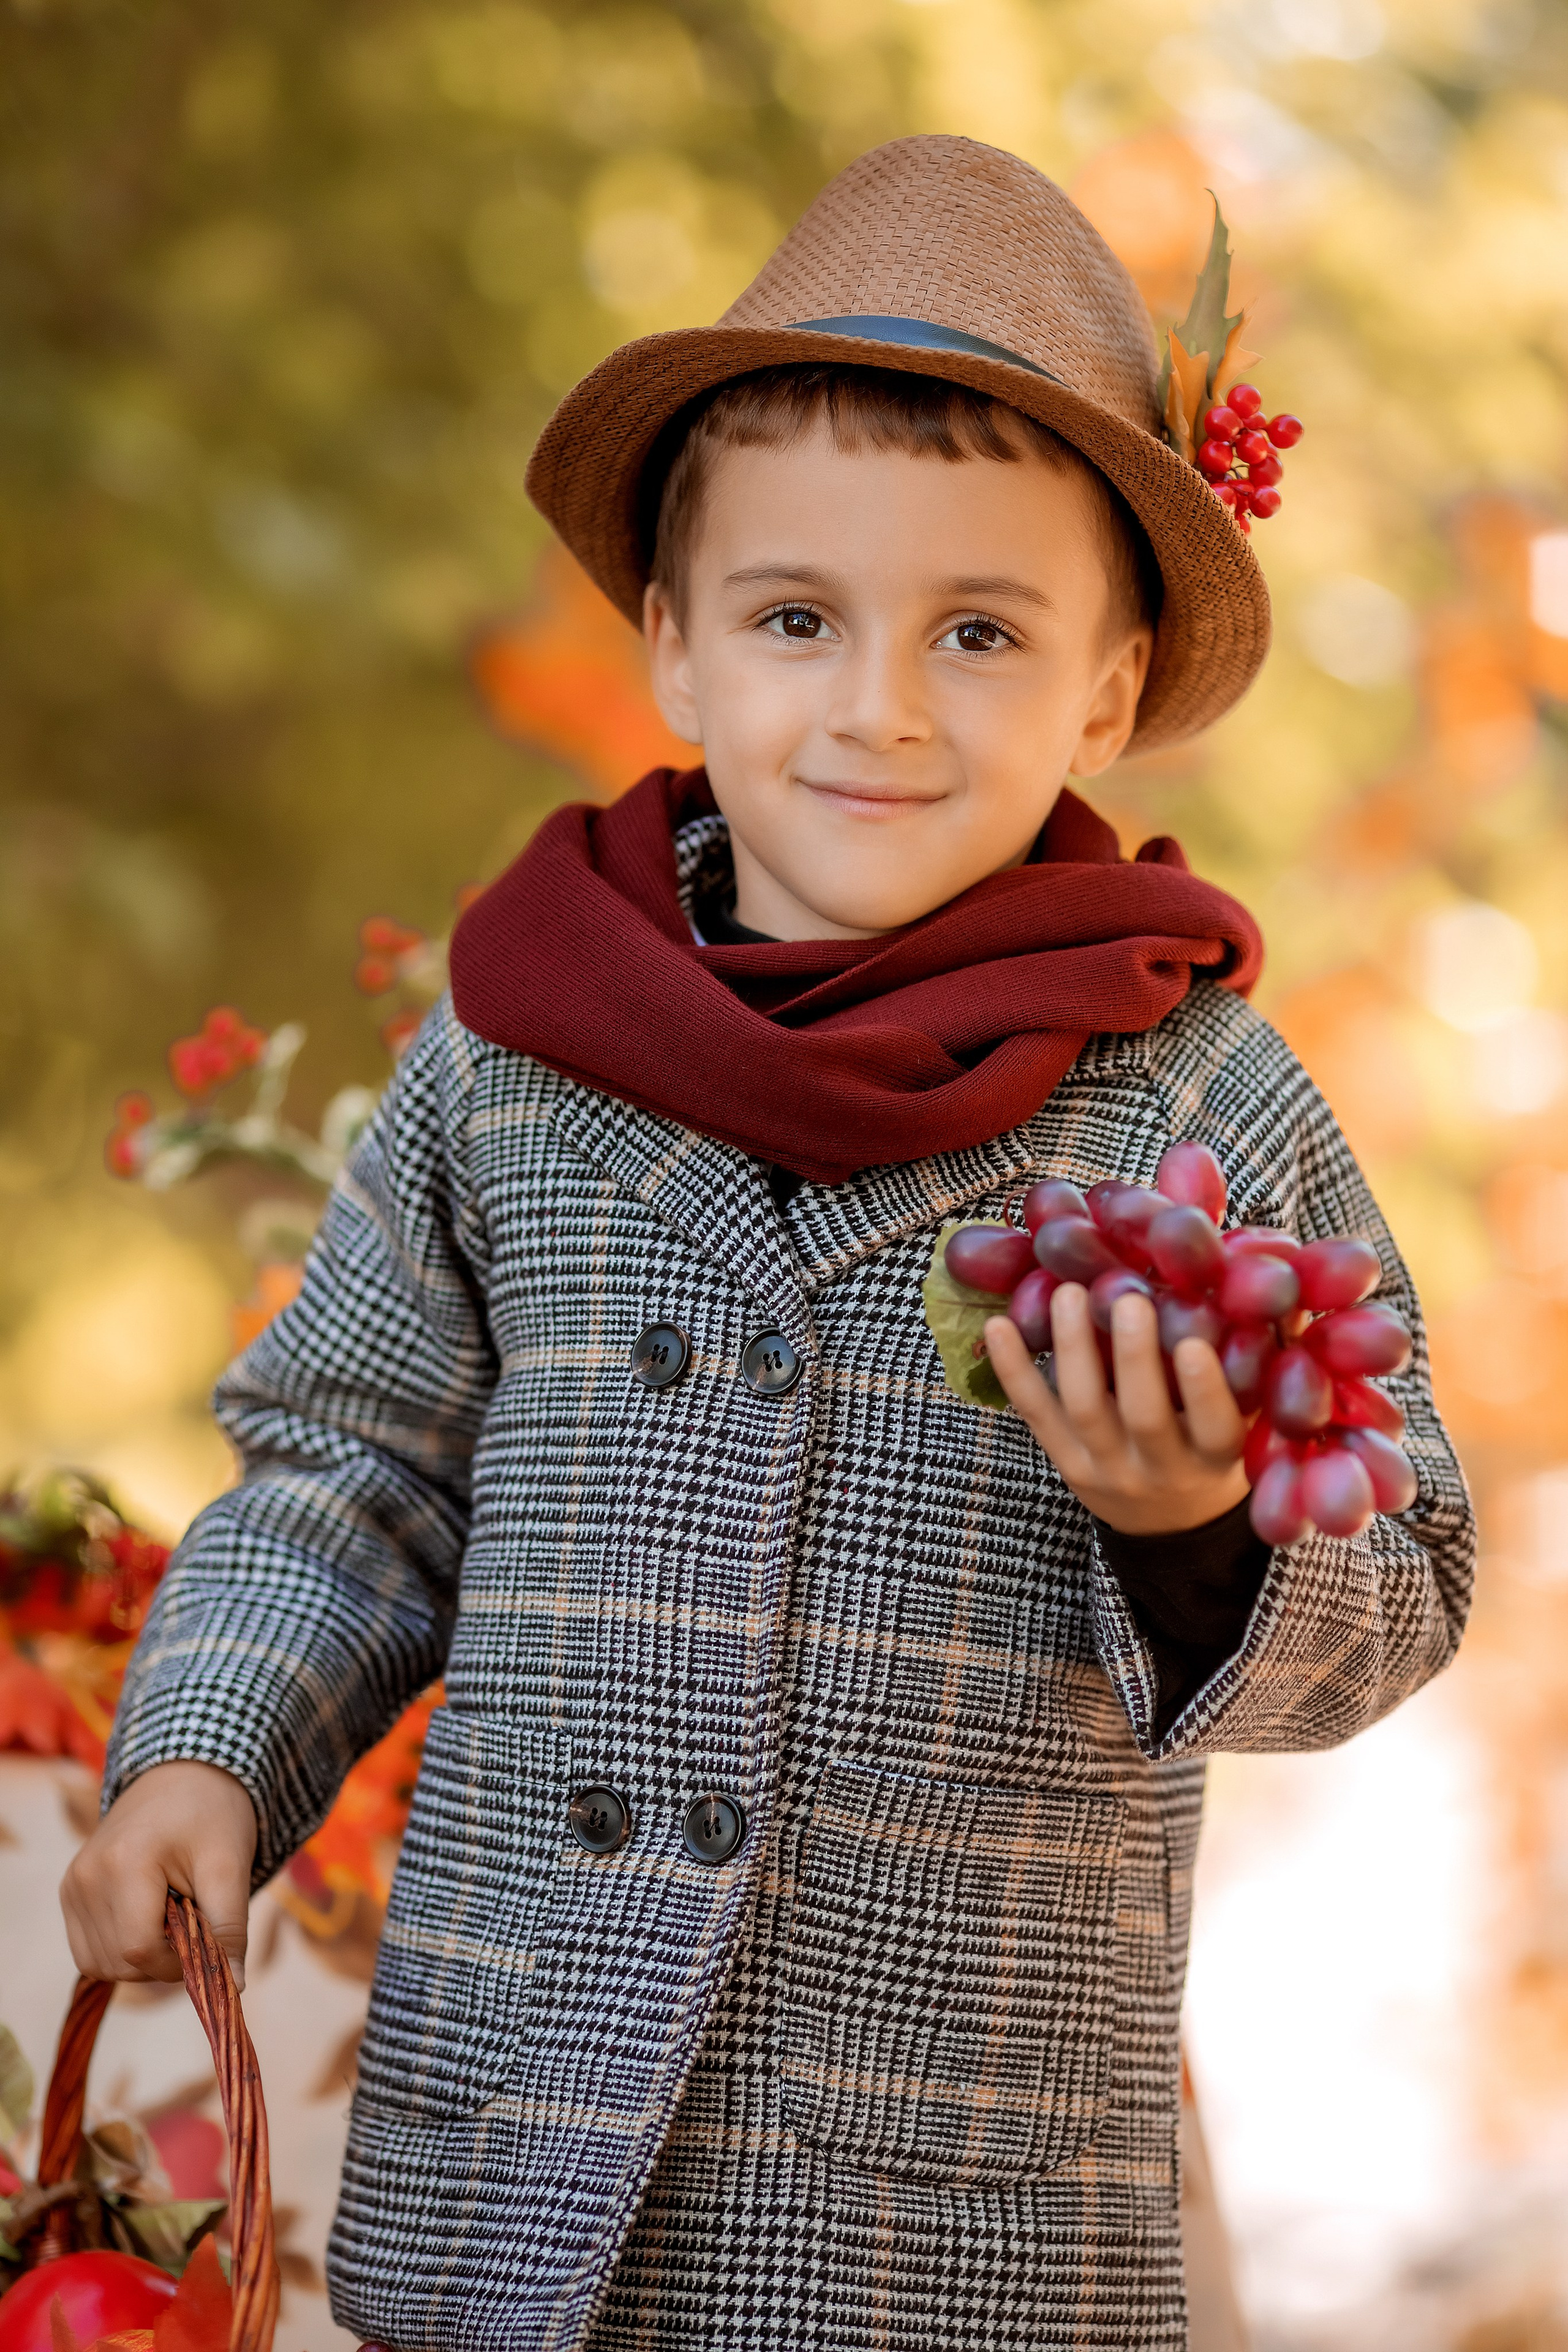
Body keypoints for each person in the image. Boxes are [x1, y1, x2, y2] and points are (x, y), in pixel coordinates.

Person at [62, 136, 1474, 2349]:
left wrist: (1201, 1526)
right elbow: (350, 1478)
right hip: (509, 2165)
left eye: (982, 635)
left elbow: (1413, 1577)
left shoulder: (1197, 1108)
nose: (882, 706)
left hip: (953, 2229)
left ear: (1106, 697)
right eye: (799, 617)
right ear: (678, 649)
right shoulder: (512, 1067)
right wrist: (204, 1751)